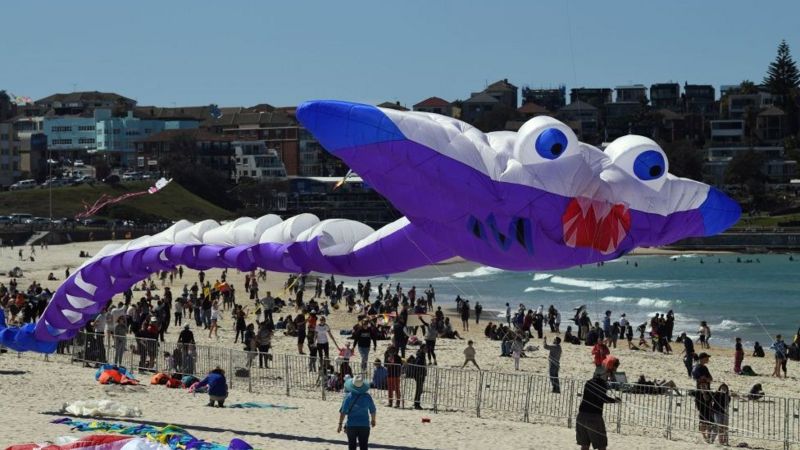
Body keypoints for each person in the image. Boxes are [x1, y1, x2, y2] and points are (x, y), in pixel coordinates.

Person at [575, 356, 621, 450]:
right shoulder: (602, 384)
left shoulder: (589, 382)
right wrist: (615, 401)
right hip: (594, 418)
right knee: (601, 446)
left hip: (581, 416)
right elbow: (601, 398)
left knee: (584, 446)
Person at [338, 374, 377, 450]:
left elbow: (343, 412)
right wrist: (373, 420)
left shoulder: (348, 397)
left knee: (352, 446)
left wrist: (340, 424)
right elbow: (373, 410)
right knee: (364, 446)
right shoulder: (367, 396)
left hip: (351, 425)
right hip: (364, 425)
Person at [694, 378, 714, 443]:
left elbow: (707, 399)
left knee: (709, 425)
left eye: (704, 385)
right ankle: (704, 437)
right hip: (701, 410)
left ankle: (708, 437)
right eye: (701, 385)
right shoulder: (697, 392)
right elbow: (696, 401)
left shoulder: (709, 392)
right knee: (702, 425)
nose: (703, 386)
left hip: (709, 410)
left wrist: (704, 393)